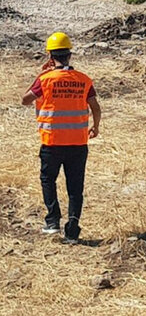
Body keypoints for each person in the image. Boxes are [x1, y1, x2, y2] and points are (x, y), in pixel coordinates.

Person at [21, 32, 101, 240]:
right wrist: (96, 126)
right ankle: (73, 228)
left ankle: (52, 221)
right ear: (70, 55)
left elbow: (25, 100)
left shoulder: (45, 79)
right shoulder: (83, 80)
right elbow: (95, 107)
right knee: (75, 186)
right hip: (78, 142)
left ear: (50, 56)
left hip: (52, 142)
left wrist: (38, 78)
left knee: (48, 180)